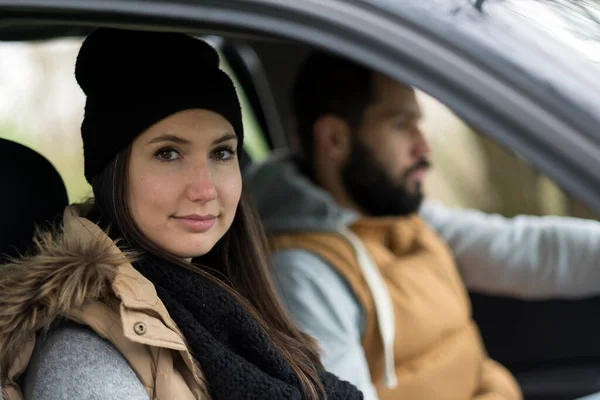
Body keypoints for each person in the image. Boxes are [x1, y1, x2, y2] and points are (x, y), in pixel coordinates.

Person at [0, 30, 363, 400]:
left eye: (221, 153)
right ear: (112, 174)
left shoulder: (238, 305)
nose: (204, 190)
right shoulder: (85, 356)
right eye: (169, 154)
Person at [244, 52, 600, 400]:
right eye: (401, 125)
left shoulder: (393, 217)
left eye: (419, 124)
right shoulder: (302, 272)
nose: (423, 147)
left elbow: (523, 249)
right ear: (335, 138)